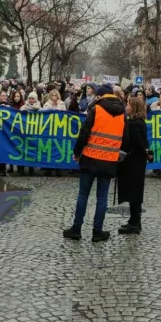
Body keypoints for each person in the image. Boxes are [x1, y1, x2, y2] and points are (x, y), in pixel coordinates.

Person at [64, 85, 126, 242]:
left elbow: (84, 133)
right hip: (109, 160)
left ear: (100, 96)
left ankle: (76, 229)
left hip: (90, 158)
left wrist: (77, 153)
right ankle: (97, 231)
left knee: (83, 194)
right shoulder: (122, 113)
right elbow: (124, 138)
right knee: (102, 197)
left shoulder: (96, 109)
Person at [117, 95, 150, 234]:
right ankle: (134, 220)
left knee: (134, 191)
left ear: (134, 107)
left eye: (128, 105)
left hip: (134, 162)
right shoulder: (137, 121)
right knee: (134, 190)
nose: (126, 107)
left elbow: (138, 143)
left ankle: (135, 223)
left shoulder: (134, 124)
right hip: (136, 161)